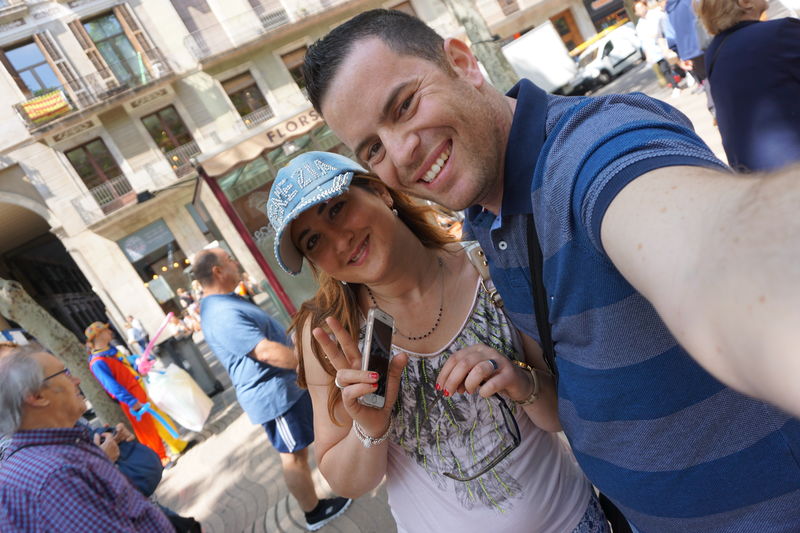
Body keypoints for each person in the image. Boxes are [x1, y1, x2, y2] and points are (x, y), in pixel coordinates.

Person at [301, 9, 800, 532]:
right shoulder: (484, 223)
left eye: (404, 105)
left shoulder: (593, 147)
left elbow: (704, 243)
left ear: (463, 62)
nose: (401, 153)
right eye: (374, 148)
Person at [266, 151, 606, 532]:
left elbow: (562, 415)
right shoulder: (332, 335)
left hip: (573, 520)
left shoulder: (487, 266)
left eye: (336, 209)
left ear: (381, 192)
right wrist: (369, 429)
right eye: (313, 241)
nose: (339, 241)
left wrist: (519, 379)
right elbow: (350, 483)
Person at [193, 248, 352, 531]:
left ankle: (339, 482)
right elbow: (265, 352)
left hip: (284, 390)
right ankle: (314, 512)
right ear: (217, 271)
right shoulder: (221, 312)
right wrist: (311, 366)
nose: (235, 262)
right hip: (275, 397)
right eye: (229, 260)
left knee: (306, 445)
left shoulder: (224, 303)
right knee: (293, 456)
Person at [0, 344, 174, 531]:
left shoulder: (48, 456)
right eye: (64, 374)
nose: (76, 380)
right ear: (37, 396)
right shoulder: (58, 475)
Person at [697, 0, 800, 171]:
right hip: (791, 168)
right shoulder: (781, 32)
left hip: (753, 172)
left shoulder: (714, 50)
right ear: (744, 2)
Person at [85, 321, 189, 465]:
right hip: (130, 396)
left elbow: (126, 365)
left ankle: (177, 445)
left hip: (140, 388)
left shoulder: (111, 350)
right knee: (147, 429)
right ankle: (159, 460)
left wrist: (138, 363)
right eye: (106, 330)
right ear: (99, 335)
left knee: (160, 418)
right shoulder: (97, 362)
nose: (110, 332)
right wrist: (131, 401)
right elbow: (111, 386)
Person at [635, 0, 681, 97]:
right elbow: (643, 42)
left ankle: (689, 75)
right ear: (636, 12)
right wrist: (647, 55)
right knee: (665, 69)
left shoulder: (655, 14)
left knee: (676, 62)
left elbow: (665, 24)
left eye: (642, 7)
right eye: (638, 9)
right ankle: (675, 86)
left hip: (666, 44)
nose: (641, 9)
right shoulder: (639, 26)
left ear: (646, 6)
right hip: (655, 51)